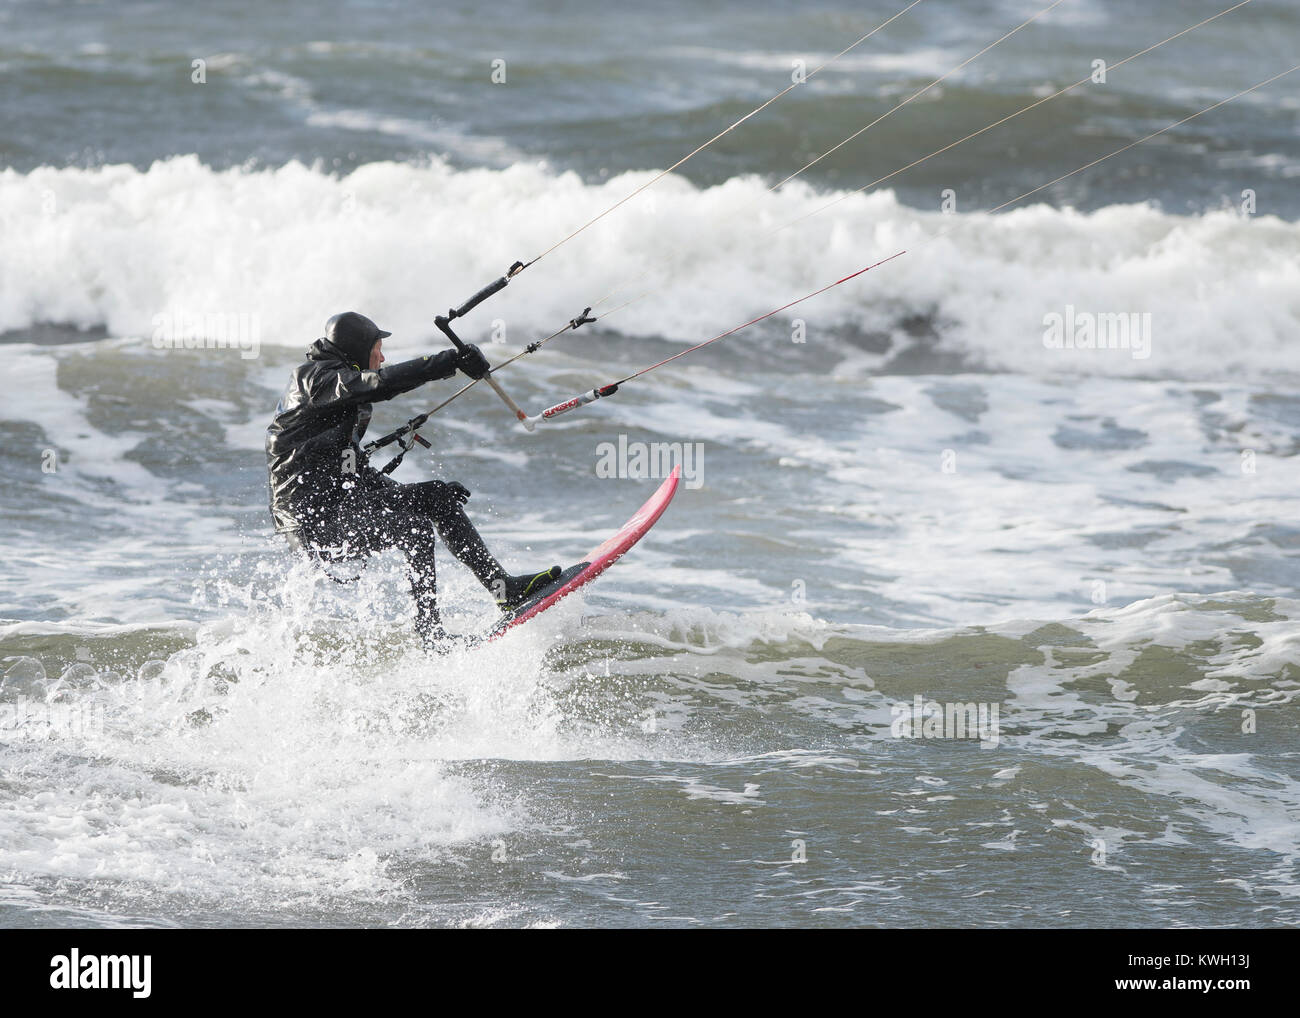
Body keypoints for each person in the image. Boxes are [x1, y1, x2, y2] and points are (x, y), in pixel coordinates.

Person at [265, 311, 560, 644]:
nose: (382, 358)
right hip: (312, 523)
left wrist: (423, 496)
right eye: (377, 349)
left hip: (340, 506)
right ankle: (430, 635)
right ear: (358, 349)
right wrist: (448, 362)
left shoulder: (338, 394)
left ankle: (503, 589)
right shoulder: (314, 379)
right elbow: (379, 383)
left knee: (435, 496)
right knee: (414, 528)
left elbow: (354, 471)